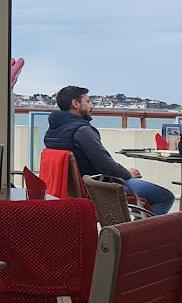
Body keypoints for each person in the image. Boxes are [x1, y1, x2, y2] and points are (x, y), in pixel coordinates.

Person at [45, 86, 174, 215]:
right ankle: (143, 232)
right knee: (165, 197)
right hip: (99, 188)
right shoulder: (82, 131)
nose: (92, 106)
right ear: (75, 103)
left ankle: (137, 228)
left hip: (71, 191)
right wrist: (127, 173)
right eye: (88, 101)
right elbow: (106, 166)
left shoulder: (52, 132)